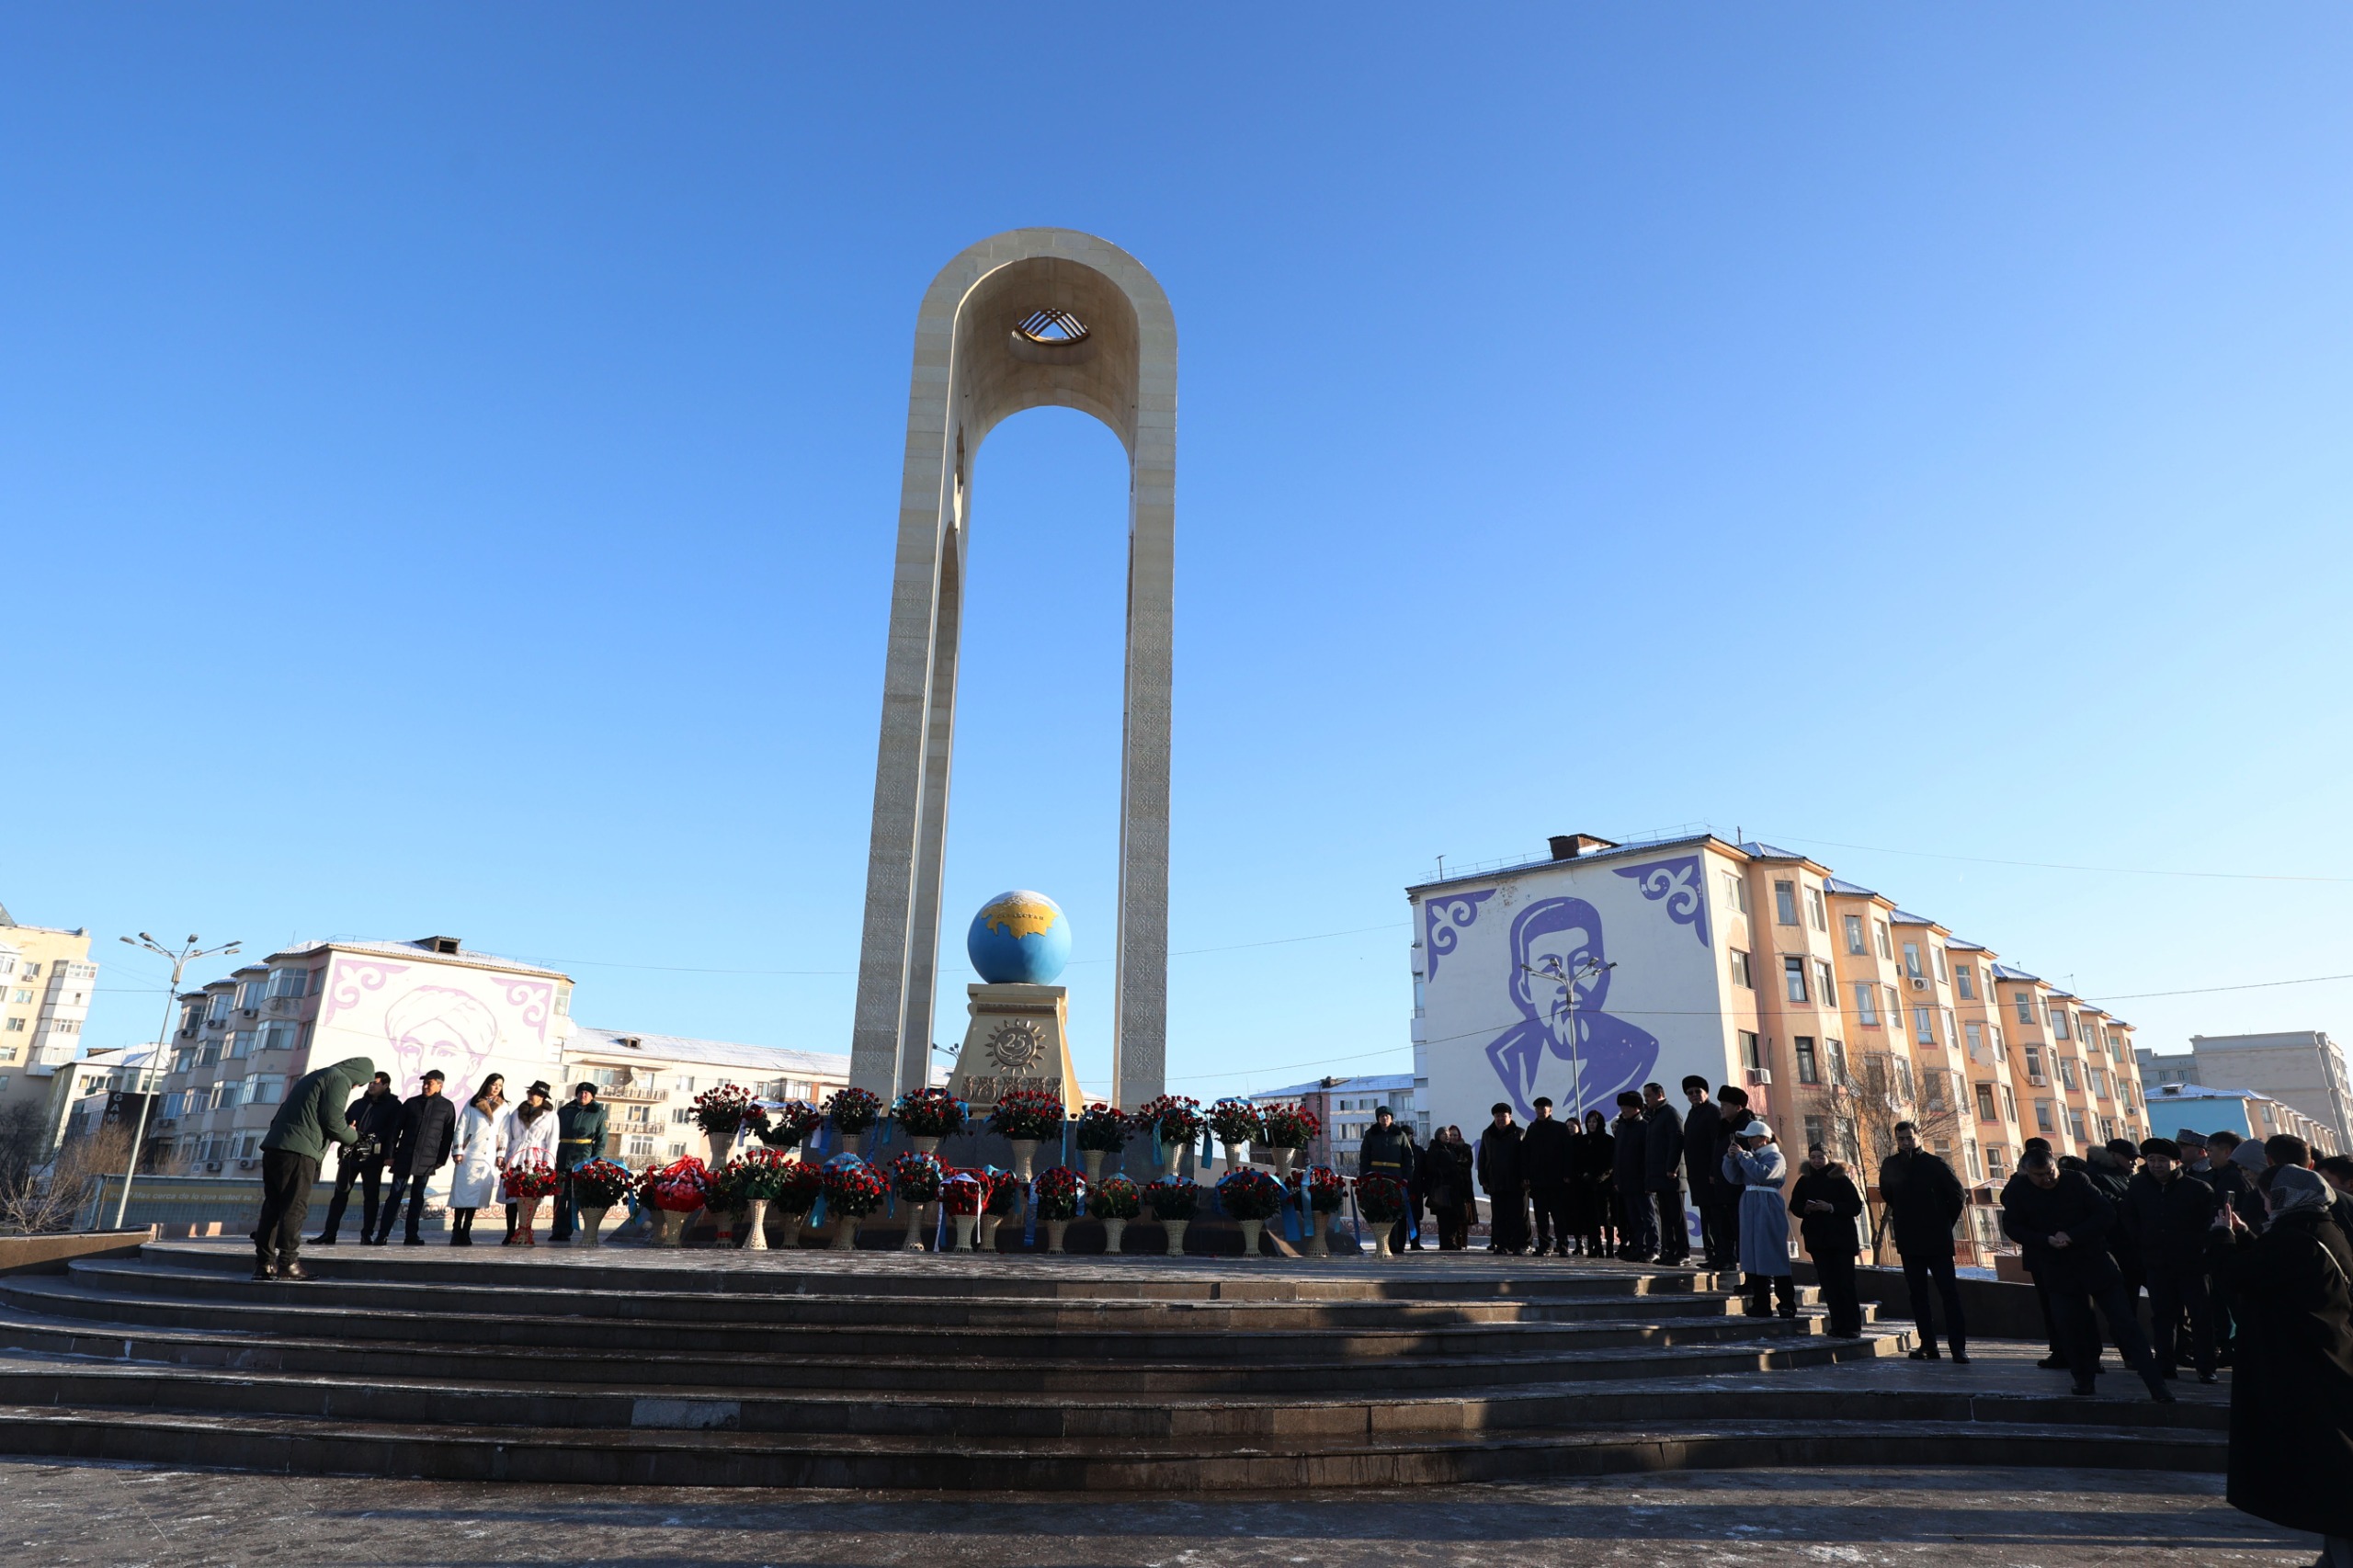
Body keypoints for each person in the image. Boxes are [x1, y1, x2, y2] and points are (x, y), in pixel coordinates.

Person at [2207, 1162, 2353, 1564]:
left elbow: (2238, 1276)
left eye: (2270, 1198)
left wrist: (2222, 1238)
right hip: (2326, 1354)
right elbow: (2271, 1269)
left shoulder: (2293, 1239)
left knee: (2331, 1471)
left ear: (2286, 1198)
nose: (2266, 1205)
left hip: (2301, 1365)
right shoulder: (2323, 1229)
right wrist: (2245, 1235)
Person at [2005, 1148, 2173, 1402]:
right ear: (2026, 1172)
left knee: (2126, 1324)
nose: (2047, 1179)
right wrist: (2044, 1239)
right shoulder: (2019, 1190)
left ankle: (2156, 1385)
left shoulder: (2077, 1180)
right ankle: (2083, 1379)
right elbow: (2013, 1226)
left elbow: (2105, 1214)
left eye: (2050, 1173)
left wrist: (2073, 1235)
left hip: (2095, 1263)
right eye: (2039, 1175)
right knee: (2070, 1327)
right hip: (2057, 1268)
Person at [249, 1056, 374, 1280]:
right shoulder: (339, 1079)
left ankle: (264, 1265)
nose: (357, 1087)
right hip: (299, 1152)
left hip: (275, 1148)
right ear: (358, 1075)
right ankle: (288, 1263)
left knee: (273, 1207)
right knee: (294, 1208)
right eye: (361, 1083)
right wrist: (354, 1136)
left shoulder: (314, 1077)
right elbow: (333, 1121)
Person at [2124, 1136, 2220, 1384]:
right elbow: (2130, 1220)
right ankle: (2165, 1364)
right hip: (2157, 1263)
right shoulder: (2138, 1187)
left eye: (2162, 1161)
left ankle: (2206, 1366)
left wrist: (2199, 1249)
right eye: (2152, 1160)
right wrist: (2143, 1244)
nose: (2156, 1165)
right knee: (2163, 1316)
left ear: (2176, 1162)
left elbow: (2209, 1224)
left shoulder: (2197, 1189)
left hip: (2192, 1264)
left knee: (2200, 1316)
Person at [1880, 1120, 1969, 1363]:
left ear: (1918, 1137)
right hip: (1909, 1239)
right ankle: (1928, 1345)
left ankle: (1958, 1347)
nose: (1906, 1143)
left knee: (1948, 1293)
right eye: (1901, 1139)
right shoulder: (1891, 1164)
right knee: (1917, 1294)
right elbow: (1888, 1194)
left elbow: (1958, 1195)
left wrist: (1943, 1223)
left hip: (1937, 1239)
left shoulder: (1935, 1164)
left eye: (1909, 1138)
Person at [312, 1070, 402, 1246]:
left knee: (371, 1198)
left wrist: (369, 1138)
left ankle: (367, 1234)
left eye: (375, 1083)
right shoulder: (358, 1103)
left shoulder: (393, 1105)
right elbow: (342, 1123)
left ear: (385, 1085)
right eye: (370, 1083)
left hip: (372, 1158)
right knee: (340, 1195)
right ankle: (329, 1233)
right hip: (349, 1155)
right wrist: (348, 1131)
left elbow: (392, 1132)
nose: (371, 1086)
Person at [1789, 1142, 1865, 1336]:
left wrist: (1830, 1207)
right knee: (1829, 1284)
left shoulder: (1841, 1179)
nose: (1816, 1161)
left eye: (1820, 1157)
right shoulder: (1805, 1180)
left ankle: (1853, 1326)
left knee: (1845, 1283)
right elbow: (1794, 1205)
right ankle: (1837, 1325)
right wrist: (1807, 1208)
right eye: (1813, 1157)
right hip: (1818, 1240)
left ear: (1828, 1157)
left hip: (1841, 1240)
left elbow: (1855, 1206)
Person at [372, 1069, 456, 1245]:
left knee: (417, 1197)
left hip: (427, 1159)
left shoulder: (447, 1107)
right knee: (395, 1195)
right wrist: (389, 1154)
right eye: (424, 1083)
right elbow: (395, 1130)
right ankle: (382, 1234)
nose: (425, 1086)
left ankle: (411, 1235)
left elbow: (448, 1136)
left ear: (439, 1085)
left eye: (430, 1083)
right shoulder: (411, 1103)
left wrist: (441, 1159)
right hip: (404, 1156)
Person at [1722, 1119, 1794, 1317]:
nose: (1749, 1142)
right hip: (1750, 1202)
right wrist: (1730, 1159)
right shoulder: (1751, 1156)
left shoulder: (1775, 1157)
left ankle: (1787, 1302)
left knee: (1771, 1253)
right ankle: (1761, 1303)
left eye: (1752, 1138)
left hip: (1767, 1202)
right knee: (1754, 1254)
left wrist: (1744, 1158)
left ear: (1764, 1139)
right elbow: (1733, 1178)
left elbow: (1763, 1175)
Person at [447, 1073, 507, 1246]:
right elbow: (461, 1127)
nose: (496, 1088)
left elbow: (504, 1133)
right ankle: (456, 1229)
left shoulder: (503, 1107)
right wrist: (458, 1149)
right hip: (470, 1154)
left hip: (487, 1155)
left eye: (500, 1085)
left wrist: (500, 1154)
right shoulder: (473, 1103)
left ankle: (467, 1229)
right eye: (494, 1084)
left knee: (476, 1196)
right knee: (462, 1194)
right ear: (487, 1084)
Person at [550, 1081, 610, 1243]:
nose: (583, 1095)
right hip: (563, 1156)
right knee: (559, 1195)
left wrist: (596, 1158)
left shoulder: (598, 1113)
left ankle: (567, 1230)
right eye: (580, 1092)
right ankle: (557, 1230)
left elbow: (602, 1138)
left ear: (592, 1096)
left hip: (583, 1158)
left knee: (575, 1197)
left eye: (587, 1093)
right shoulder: (565, 1110)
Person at [501, 1080, 561, 1244]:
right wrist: (504, 1156)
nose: (530, 1096)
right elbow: (508, 1135)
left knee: (529, 1196)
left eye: (534, 1093)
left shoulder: (551, 1115)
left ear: (542, 1097)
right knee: (512, 1195)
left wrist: (547, 1166)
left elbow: (553, 1141)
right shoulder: (516, 1112)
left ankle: (526, 1230)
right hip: (516, 1156)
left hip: (536, 1158)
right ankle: (510, 1232)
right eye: (529, 1092)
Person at [1520, 1096, 1574, 1256]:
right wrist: (1526, 1175)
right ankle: (1544, 1245)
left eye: (1543, 1108)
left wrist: (1567, 1174)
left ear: (1550, 1110)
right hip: (1538, 1181)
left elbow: (1568, 1153)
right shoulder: (1532, 1129)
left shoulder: (1559, 1128)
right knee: (1541, 1217)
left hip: (1557, 1180)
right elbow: (1526, 1154)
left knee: (1559, 1216)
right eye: (1537, 1109)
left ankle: (1563, 1245)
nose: (1540, 1111)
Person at [1358, 1106, 1417, 1255]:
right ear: (1378, 1119)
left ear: (1391, 1118)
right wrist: (1364, 1177)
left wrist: (1406, 1177)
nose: (1384, 1118)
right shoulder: (1370, 1134)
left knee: (1397, 1211)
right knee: (1379, 1210)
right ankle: (1382, 1244)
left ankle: (1398, 1244)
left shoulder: (1400, 1135)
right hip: (1376, 1177)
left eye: (1387, 1116)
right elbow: (1364, 1157)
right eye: (1381, 1116)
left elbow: (1408, 1157)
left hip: (1396, 1176)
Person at [1708, 1085, 1755, 1270]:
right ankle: (1725, 1257)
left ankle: (1748, 1269)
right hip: (1722, 1185)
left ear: (1738, 1107)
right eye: (1721, 1104)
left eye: (1725, 1104)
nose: (1721, 1108)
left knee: (1740, 1229)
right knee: (1723, 1226)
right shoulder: (1724, 1125)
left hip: (1738, 1188)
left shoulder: (1747, 1127)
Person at [1643, 1082, 1688, 1266]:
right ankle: (1669, 1250)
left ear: (1659, 1094)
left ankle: (1683, 1252)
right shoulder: (1653, 1117)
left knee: (1676, 1216)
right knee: (1665, 1217)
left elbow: (1676, 1141)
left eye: (1649, 1096)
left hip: (1672, 1176)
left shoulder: (1670, 1113)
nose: (1646, 1099)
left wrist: (1672, 1168)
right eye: (1645, 1096)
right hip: (1659, 1176)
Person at [1681, 1076, 1724, 1269]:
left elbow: (1717, 1143)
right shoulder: (1692, 1114)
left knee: (1716, 1217)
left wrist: (1713, 1170)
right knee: (1705, 1216)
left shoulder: (1712, 1112)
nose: (1694, 1096)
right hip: (1696, 1175)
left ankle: (1721, 1254)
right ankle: (1711, 1253)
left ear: (1706, 1092)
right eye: (1690, 1093)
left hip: (1710, 1175)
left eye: (1697, 1091)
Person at [1476, 1104, 1528, 1254]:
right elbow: (1482, 1158)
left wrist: (1525, 1178)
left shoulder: (1520, 1133)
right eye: (1497, 1116)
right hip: (1496, 1181)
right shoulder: (1488, 1134)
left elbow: (1525, 1158)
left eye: (1503, 1116)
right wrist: (1483, 1178)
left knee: (1516, 1216)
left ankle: (1517, 1245)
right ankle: (1501, 1245)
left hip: (1515, 1182)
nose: (1500, 1119)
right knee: (1499, 1217)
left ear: (1510, 1117)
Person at [1610, 1092, 1655, 1262]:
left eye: (1626, 1107)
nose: (1623, 1111)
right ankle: (1638, 1247)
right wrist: (1617, 1179)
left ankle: (1653, 1248)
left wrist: (1648, 1180)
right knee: (1633, 1219)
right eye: (1622, 1108)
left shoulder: (1644, 1126)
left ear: (1636, 1108)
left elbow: (1648, 1156)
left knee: (1648, 1217)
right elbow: (1618, 1156)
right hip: (1625, 1182)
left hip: (1642, 1181)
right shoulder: (1622, 1127)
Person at [1423, 1126, 1475, 1250]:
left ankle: (1454, 1242)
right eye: (1444, 1134)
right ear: (1438, 1136)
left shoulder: (1450, 1149)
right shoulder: (1435, 1149)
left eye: (1448, 1134)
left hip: (1453, 1189)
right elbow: (1430, 1168)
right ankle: (1446, 1243)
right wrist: (1443, 1173)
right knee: (1444, 1218)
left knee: (1453, 1217)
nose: (1447, 1136)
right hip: (1441, 1189)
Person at [1574, 1107, 1616, 1257]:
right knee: (1590, 1218)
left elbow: (1611, 1163)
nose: (1592, 1124)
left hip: (1604, 1186)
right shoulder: (1583, 1141)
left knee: (1606, 1218)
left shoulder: (1608, 1140)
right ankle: (1595, 1247)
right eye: (1589, 1121)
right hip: (1585, 1185)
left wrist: (1599, 1177)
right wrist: (1583, 1174)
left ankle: (1609, 1249)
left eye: (1595, 1122)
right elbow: (1577, 1161)